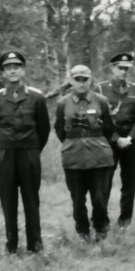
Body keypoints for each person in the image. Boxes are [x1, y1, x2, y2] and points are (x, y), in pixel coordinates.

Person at [0, 50, 50, 253]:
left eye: (16, 67)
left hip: (29, 153)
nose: (12, 71)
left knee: (31, 199)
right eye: (8, 68)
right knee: (8, 200)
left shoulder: (37, 97)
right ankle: (11, 244)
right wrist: (6, 145)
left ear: (23, 70)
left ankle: (35, 244)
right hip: (6, 154)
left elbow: (44, 129)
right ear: (3, 72)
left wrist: (33, 149)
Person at [54, 65, 114, 240]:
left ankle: (101, 228)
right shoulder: (62, 103)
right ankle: (82, 230)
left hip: (98, 157)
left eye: (84, 79)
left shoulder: (101, 100)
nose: (81, 83)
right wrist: (73, 142)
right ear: (71, 81)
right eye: (77, 79)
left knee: (99, 197)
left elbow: (109, 127)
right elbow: (59, 130)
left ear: (90, 80)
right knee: (78, 199)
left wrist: (98, 142)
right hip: (73, 157)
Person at [97, 51, 135, 227]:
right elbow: (99, 118)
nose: (124, 72)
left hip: (131, 142)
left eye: (127, 69)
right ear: (112, 68)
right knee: (105, 182)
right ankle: (102, 220)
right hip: (109, 141)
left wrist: (131, 138)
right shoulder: (101, 89)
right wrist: (116, 138)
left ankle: (125, 220)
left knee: (129, 183)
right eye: (121, 68)